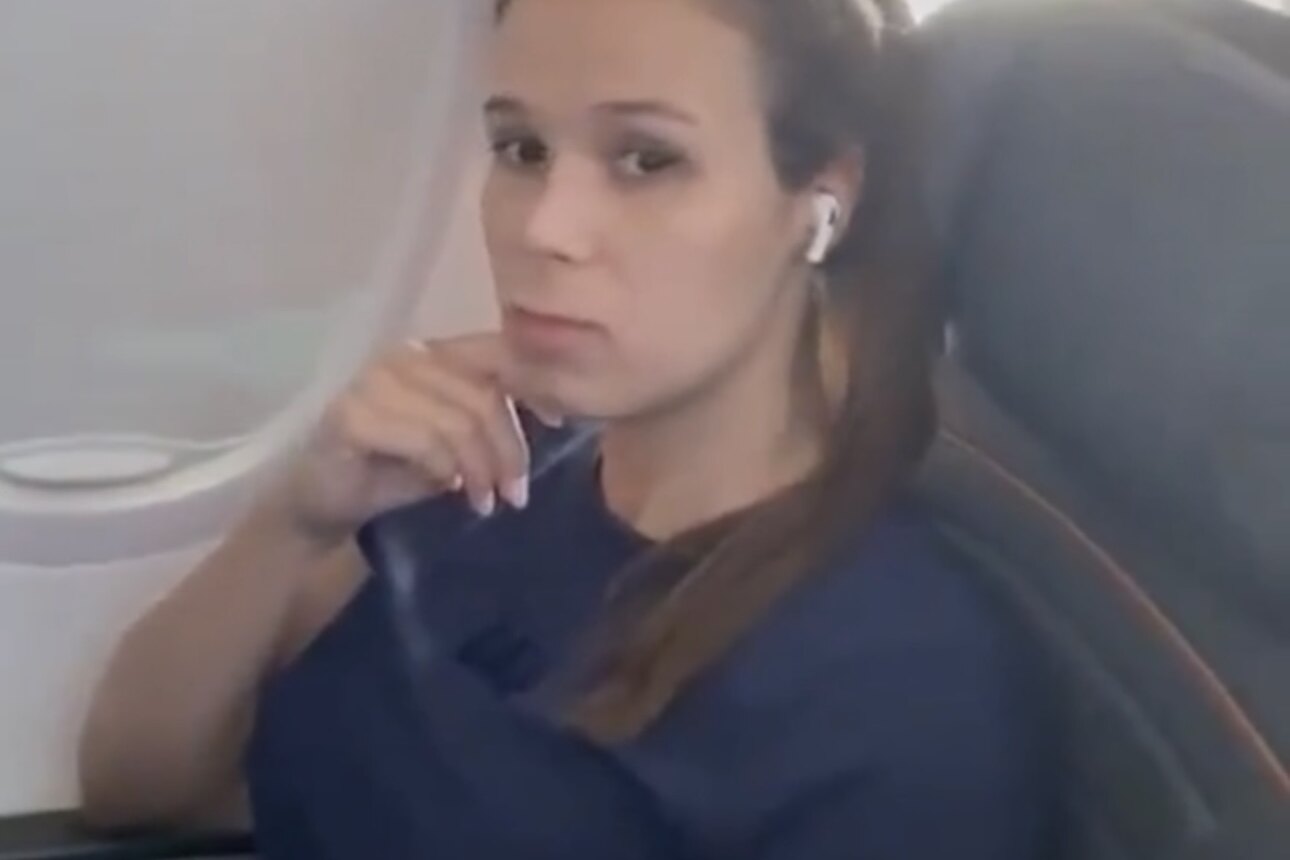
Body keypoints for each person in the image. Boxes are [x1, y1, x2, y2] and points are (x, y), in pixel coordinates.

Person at [78, 0, 1059, 856]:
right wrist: (295, 519)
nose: (543, 226)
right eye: (521, 149)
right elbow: (139, 787)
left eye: (646, 159)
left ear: (822, 203)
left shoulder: (901, 694)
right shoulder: (484, 464)